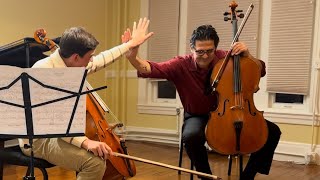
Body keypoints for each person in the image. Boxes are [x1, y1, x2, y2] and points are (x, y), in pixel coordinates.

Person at [122, 24, 281, 180]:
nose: (205, 56)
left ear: (215, 48)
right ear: (192, 49)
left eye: (210, 51)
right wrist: (132, 57)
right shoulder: (180, 65)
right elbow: (150, 69)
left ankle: (248, 176)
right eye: (200, 52)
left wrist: (248, 55)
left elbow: (259, 69)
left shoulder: (226, 58)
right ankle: (206, 176)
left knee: (272, 132)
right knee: (191, 136)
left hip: (230, 112)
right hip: (197, 115)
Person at [18, 18, 153, 180]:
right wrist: (87, 143)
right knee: (94, 162)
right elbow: (56, 124)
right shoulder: (44, 72)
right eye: (89, 57)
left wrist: (129, 45)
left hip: (61, 133)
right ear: (76, 57)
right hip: (39, 140)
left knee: (97, 156)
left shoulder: (72, 64)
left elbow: (102, 59)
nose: (91, 61)